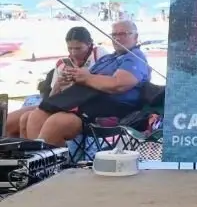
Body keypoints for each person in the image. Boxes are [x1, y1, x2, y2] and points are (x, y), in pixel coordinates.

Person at [22, 21, 151, 147]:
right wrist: (71, 80)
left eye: (123, 34)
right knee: (37, 116)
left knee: (56, 123)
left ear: (136, 37)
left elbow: (118, 84)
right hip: (86, 104)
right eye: (114, 34)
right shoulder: (108, 58)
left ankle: (50, 164)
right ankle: (37, 161)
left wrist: (86, 78)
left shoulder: (135, 58)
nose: (117, 38)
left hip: (112, 111)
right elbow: (87, 79)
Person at [3, 26, 103, 137]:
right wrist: (57, 87)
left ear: (89, 44)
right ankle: (19, 153)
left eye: (78, 48)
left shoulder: (99, 55)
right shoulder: (62, 63)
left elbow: (108, 83)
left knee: (28, 118)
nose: (73, 52)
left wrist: (84, 78)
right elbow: (51, 98)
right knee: (8, 123)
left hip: (83, 106)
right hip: (60, 103)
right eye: (70, 48)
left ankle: (40, 152)